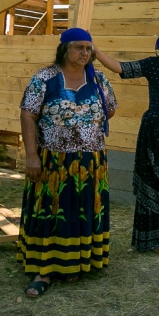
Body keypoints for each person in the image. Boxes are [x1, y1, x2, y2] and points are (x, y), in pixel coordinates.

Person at [18, 28, 117, 297]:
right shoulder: (45, 78)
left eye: (88, 48)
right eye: (79, 48)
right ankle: (45, 270)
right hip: (53, 159)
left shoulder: (97, 77)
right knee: (54, 211)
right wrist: (31, 154)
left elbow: (110, 107)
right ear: (64, 49)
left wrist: (85, 127)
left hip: (90, 160)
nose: (85, 53)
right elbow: (28, 115)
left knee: (82, 209)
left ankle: (76, 262)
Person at [93, 29, 159, 254]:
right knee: (153, 181)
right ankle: (149, 240)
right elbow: (122, 68)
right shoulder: (153, 65)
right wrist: (96, 51)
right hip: (156, 131)